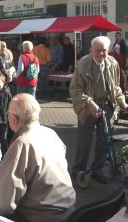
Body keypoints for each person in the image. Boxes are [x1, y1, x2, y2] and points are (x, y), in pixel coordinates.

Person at [0, 93, 76, 222]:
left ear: (14, 119)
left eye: (8, 113)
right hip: (70, 209)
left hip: (43, 216)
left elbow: (2, 204)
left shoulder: (21, 144)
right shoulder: (51, 133)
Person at [69, 36, 128, 184]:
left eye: (104, 51)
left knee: (104, 141)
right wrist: (89, 103)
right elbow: (75, 90)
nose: (102, 54)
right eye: (98, 51)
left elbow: (115, 86)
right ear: (90, 50)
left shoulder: (112, 62)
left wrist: (121, 101)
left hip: (107, 105)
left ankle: (97, 170)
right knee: (85, 140)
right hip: (88, 107)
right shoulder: (83, 64)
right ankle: (78, 169)